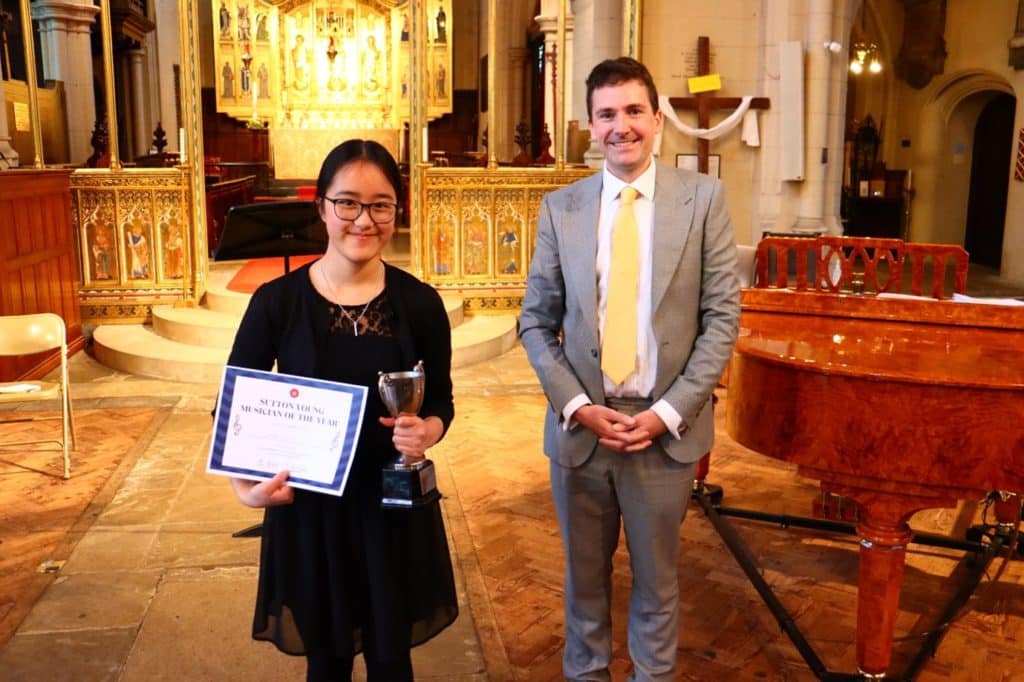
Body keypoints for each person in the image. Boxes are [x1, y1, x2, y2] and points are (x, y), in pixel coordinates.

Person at [518, 57, 740, 681]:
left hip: (662, 434)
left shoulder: (702, 201)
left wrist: (668, 414)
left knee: (658, 587)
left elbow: (722, 319)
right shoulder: (562, 208)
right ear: (591, 125)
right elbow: (535, 321)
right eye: (608, 114)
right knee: (584, 587)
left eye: (634, 111)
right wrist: (577, 406)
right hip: (581, 431)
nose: (622, 127)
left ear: (657, 117)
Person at [225, 139, 458, 682]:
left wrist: (427, 429)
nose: (364, 219)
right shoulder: (277, 302)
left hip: (392, 508)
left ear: (396, 212)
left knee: (390, 659)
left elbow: (441, 397)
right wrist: (247, 488)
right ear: (323, 208)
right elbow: (237, 407)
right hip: (312, 510)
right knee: (325, 662)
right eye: (348, 202)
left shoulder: (420, 303)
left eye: (381, 205)